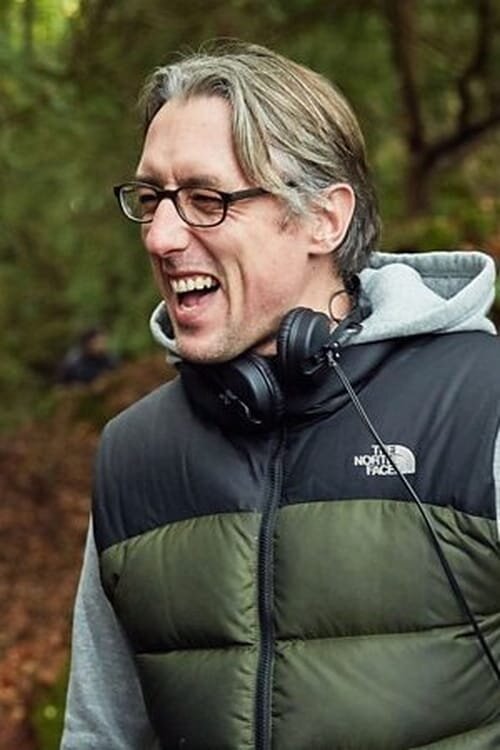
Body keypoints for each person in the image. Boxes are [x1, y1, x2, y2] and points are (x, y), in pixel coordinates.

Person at [60, 41, 500, 749]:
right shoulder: (132, 454)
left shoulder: (482, 405)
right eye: (151, 200)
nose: (160, 236)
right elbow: (100, 734)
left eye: (206, 200)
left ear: (324, 218)